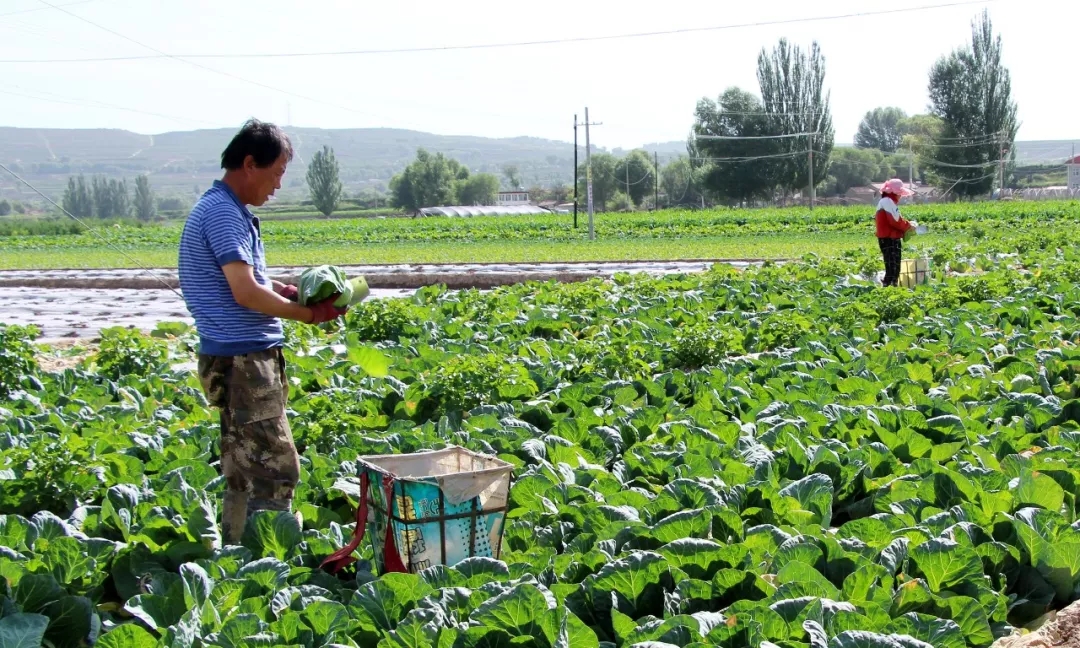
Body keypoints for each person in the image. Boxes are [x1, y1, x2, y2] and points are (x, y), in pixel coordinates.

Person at [178, 119, 348, 544]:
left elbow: (252, 279)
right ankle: (266, 561)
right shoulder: (222, 213)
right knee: (276, 468)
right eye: (276, 174)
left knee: (243, 466)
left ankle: (237, 554)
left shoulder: (227, 210)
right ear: (249, 164)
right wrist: (307, 315)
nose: (276, 186)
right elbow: (245, 292)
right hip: (244, 361)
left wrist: (292, 291)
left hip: (238, 357)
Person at [875, 178, 918, 287]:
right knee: (893, 266)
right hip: (889, 238)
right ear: (894, 192)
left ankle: (890, 286)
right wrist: (908, 226)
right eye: (899, 194)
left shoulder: (886, 202)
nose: (900, 196)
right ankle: (890, 287)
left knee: (892, 265)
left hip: (888, 237)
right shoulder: (887, 201)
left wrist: (906, 225)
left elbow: (896, 219)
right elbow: (895, 221)